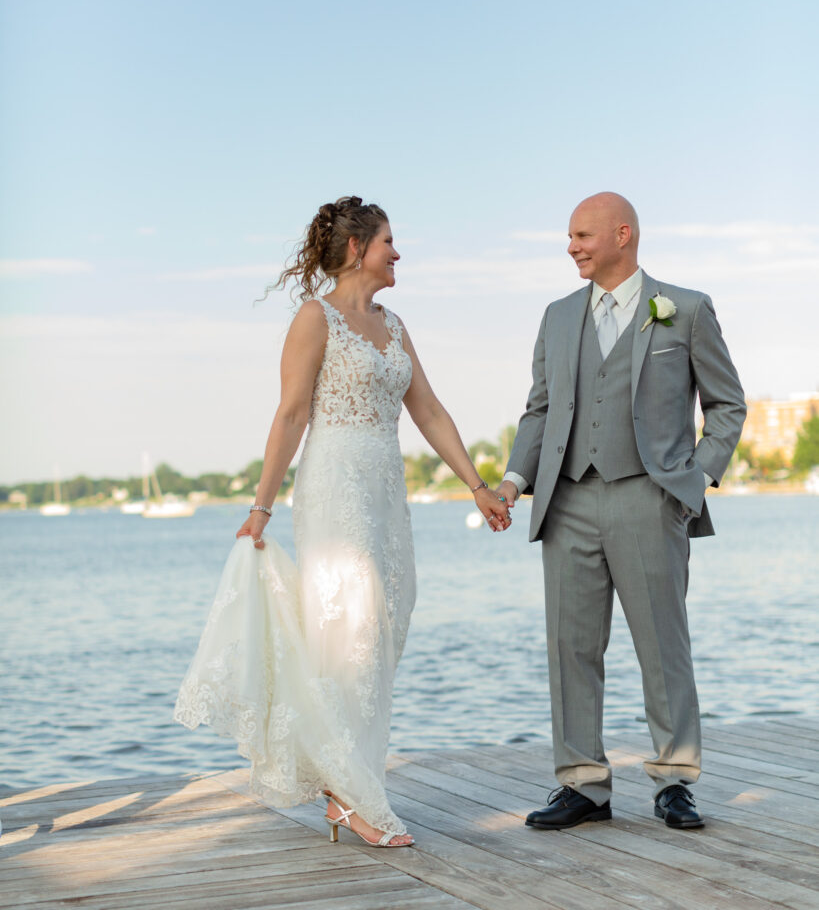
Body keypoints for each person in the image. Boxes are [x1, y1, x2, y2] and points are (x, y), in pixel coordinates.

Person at [174, 196, 510, 848]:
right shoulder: (314, 318)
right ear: (357, 249)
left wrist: (475, 485)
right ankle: (353, 795)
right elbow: (291, 415)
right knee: (347, 635)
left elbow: (430, 412)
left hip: (387, 494)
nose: (398, 253)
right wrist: (261, 505)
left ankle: (343, 781)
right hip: (334, 489)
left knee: (383, 631)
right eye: (389, 241)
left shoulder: (395, 323)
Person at [497, 192, 746, 831]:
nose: (572, 247)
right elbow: (540, 408)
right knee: (571, 646)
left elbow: (727, 405)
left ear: (622, 234)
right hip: (568, 499)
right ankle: (583, 784)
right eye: (570, 238)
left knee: (663, 645)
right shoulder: (556, 316)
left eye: (582, 235)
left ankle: (675, 780)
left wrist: (694, 479)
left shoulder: (684, 309)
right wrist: (512, 478)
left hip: (650, 496)